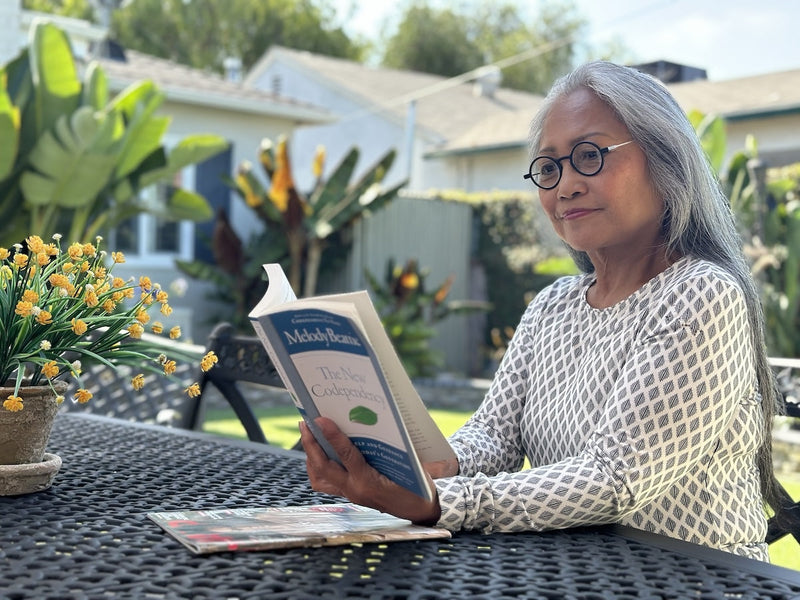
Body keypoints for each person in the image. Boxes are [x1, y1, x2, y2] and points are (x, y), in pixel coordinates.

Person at [300, 60, 783, 562]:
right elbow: (494, 436)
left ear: (666, 162)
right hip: (577, 575)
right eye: (549, 168)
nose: (564, 186)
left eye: (590, 155)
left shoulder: (701, 294)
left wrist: (439, 502)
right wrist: (430, 465)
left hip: (699, 580)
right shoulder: (552, 307)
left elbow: (613, 478)